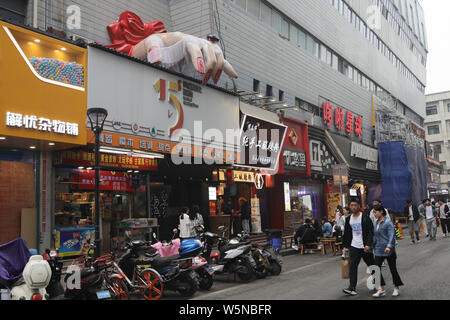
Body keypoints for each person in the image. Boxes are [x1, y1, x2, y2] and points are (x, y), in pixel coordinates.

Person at [342, 198, 375, 296]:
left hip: (365, 246)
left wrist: (368, 244)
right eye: (351, 205)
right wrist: (346, 246)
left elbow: (370, 232)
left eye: (355, 205)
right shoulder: (348, 219)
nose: (353, 207)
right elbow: (347, 233)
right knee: (352, 266)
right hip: (354, 246)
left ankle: (378, 285)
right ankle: (352, 288)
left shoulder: (365, 217)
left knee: (372, 265)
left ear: (359, 206)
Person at [372, 205, 404, 298]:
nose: (374, 214)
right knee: (375, 269)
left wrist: (389, 246)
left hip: (388, 250)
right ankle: (381, 289)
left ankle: (396, 288)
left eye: (375, 212)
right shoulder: (375, 222)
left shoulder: (388, 222)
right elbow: (375, 236)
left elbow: (391, 236)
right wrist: (370, 246)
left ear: (381, 211)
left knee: (393, 269)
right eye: (373, 212)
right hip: (378, 249)